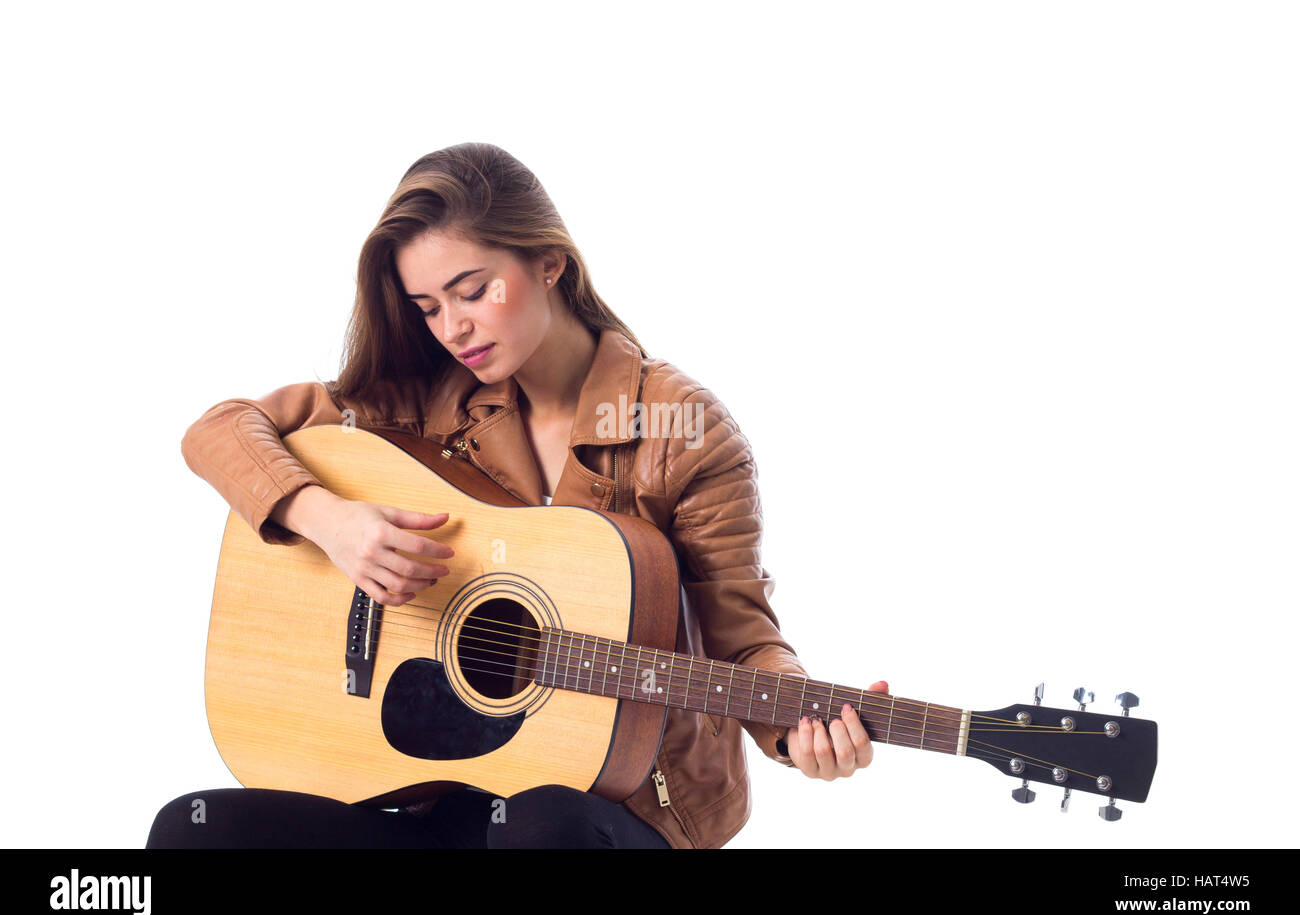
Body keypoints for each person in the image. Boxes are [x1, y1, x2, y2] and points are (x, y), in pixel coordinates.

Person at [148, 142, 889, 849]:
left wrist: (798, 727)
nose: (452, 328)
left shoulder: (680, 427)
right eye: (429, 306)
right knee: (194, 830)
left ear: (549, 263)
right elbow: (219, 429)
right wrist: (331, 520)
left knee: (538, 824)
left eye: (472, 291)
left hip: (611, 810)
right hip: (445, 793)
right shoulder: (429, 401)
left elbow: (746, 635)